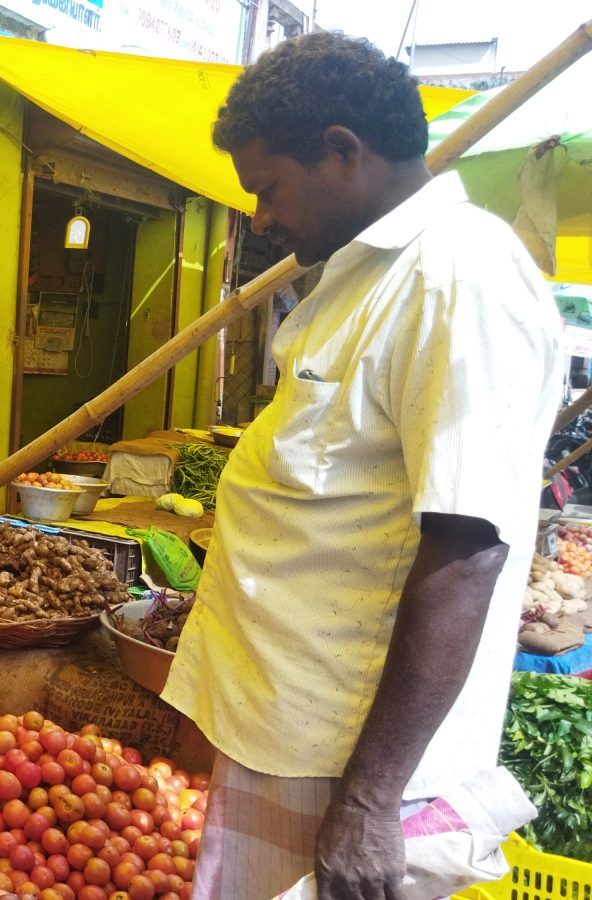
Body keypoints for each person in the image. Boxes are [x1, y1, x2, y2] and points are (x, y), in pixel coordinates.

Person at [159, 32, 564, 900]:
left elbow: (467, 551)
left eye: (268, 188)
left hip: (350, 768)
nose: (261, 219)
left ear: (342, 150)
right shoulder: (362, 277)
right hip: (290, 740)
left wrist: (372, 799)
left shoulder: (457, 279)